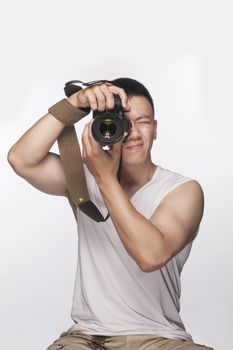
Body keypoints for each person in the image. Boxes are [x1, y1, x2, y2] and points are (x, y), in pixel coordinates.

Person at [7, 78, 214, 350]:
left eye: (143, 121)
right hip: (87, 338)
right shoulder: (83, 180)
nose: (133, 132)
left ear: (155, 129)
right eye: (122, 122)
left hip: (160, 339)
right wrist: (74, 104)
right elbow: (21, 159)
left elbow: (151, 255)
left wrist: (106, 179)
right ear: (102, 128)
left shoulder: (182, 191)